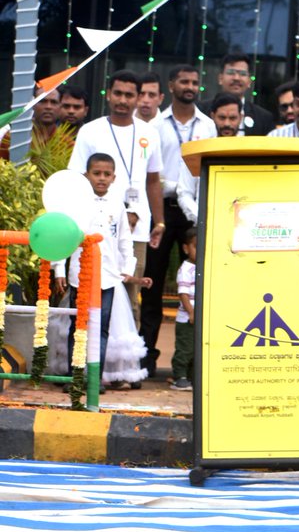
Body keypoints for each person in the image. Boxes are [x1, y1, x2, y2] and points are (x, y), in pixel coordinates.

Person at [68, 69, 165, 334]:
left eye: (129, 95)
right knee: (90, 293)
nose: (123, 100)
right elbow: (77, 179)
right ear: (108, 94)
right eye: (118, 93)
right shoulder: (90, 131)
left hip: (138, 227)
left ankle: (124, 364)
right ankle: (86, 360)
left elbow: (153, 181)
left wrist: (160, 221)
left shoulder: (150, 133)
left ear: (138, 98)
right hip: (95, 228)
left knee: (130, 295)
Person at [140, 64, 216, 377]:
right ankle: (146, 357)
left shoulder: (208, 125)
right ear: (171, 86)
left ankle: (193, 362)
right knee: (153, 284)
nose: (189, 86)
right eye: (184, 81)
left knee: (200, 284)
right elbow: (150, 173)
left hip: (194, 212)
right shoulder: (154, 125)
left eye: (195, 82)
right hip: (159, 210)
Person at [53, 153, 151, 390]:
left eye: (107, 174)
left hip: (108, 277)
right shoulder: (75, 204)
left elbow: (124, 240)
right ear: (86, 175)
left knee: (102, 327)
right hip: (80, 275)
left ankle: (94, 377)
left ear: (114, 178)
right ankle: (74, 375)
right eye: (96, 173)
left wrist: (127, 268)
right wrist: (59, 268)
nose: (101, 179)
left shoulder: (117, 205)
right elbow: (62, 236)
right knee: (78, 326)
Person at [201, 53, 273, 136]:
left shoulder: (263, 118)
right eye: (231, 72)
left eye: (242, 74)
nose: (236, 78)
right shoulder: (200, 111)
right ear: (220, 78)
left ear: (249, 81)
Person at [170, 228, 199, 392]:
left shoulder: (205, 267)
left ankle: (192, 376)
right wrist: (191, 312)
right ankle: (179, 376)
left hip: (199, 317)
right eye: (195, 246)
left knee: (196, 349)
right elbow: (183, 293)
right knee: (185, 348)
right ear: (186, 248)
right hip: (187, 318)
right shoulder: (186, 268)